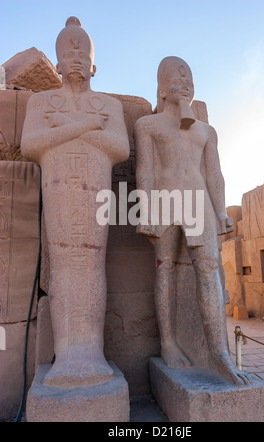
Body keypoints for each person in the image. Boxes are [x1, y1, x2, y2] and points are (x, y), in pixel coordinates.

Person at [21, 17, 130, 387]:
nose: (76, 55)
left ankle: (91, 352)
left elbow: (120, 148)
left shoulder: (109, 105)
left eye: (83, 50)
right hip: (60, 186)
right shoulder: (41, 101)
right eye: (69, 50)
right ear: (57, 61)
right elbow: (31, 145)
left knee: (92, 260)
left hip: (94, 185)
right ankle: (68, 355)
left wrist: (64, 127)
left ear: (94, 62)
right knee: (65, 261)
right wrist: (84, 126)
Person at [134, 56, 251, 386]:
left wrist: (221, 212)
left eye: (188, 77)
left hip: (198, 201)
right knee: (165, 267)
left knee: (208, 270)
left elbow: (213, 174)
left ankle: (218, 352)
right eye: (175, 76)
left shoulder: (205, 131)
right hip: (166, 199)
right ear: (160, 87)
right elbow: (145, 169)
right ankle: (168, 342)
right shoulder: (148, 125)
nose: (183, 80)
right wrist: (144, 209)